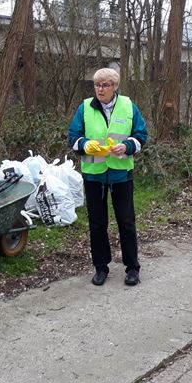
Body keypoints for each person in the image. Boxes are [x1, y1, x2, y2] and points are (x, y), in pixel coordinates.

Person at [68, 68, 148, 286]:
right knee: (97, 224)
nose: (100, 89)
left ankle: (132, 268)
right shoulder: (85, 107)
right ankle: (100, 267)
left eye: (104, 85)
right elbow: (73, 136)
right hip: (94, 176)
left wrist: (128, 145)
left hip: (121, 174)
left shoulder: (128, 106)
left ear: (115, 86)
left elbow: (141, 135)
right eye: (96, 85)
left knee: (126, 222)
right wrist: (85, 144)